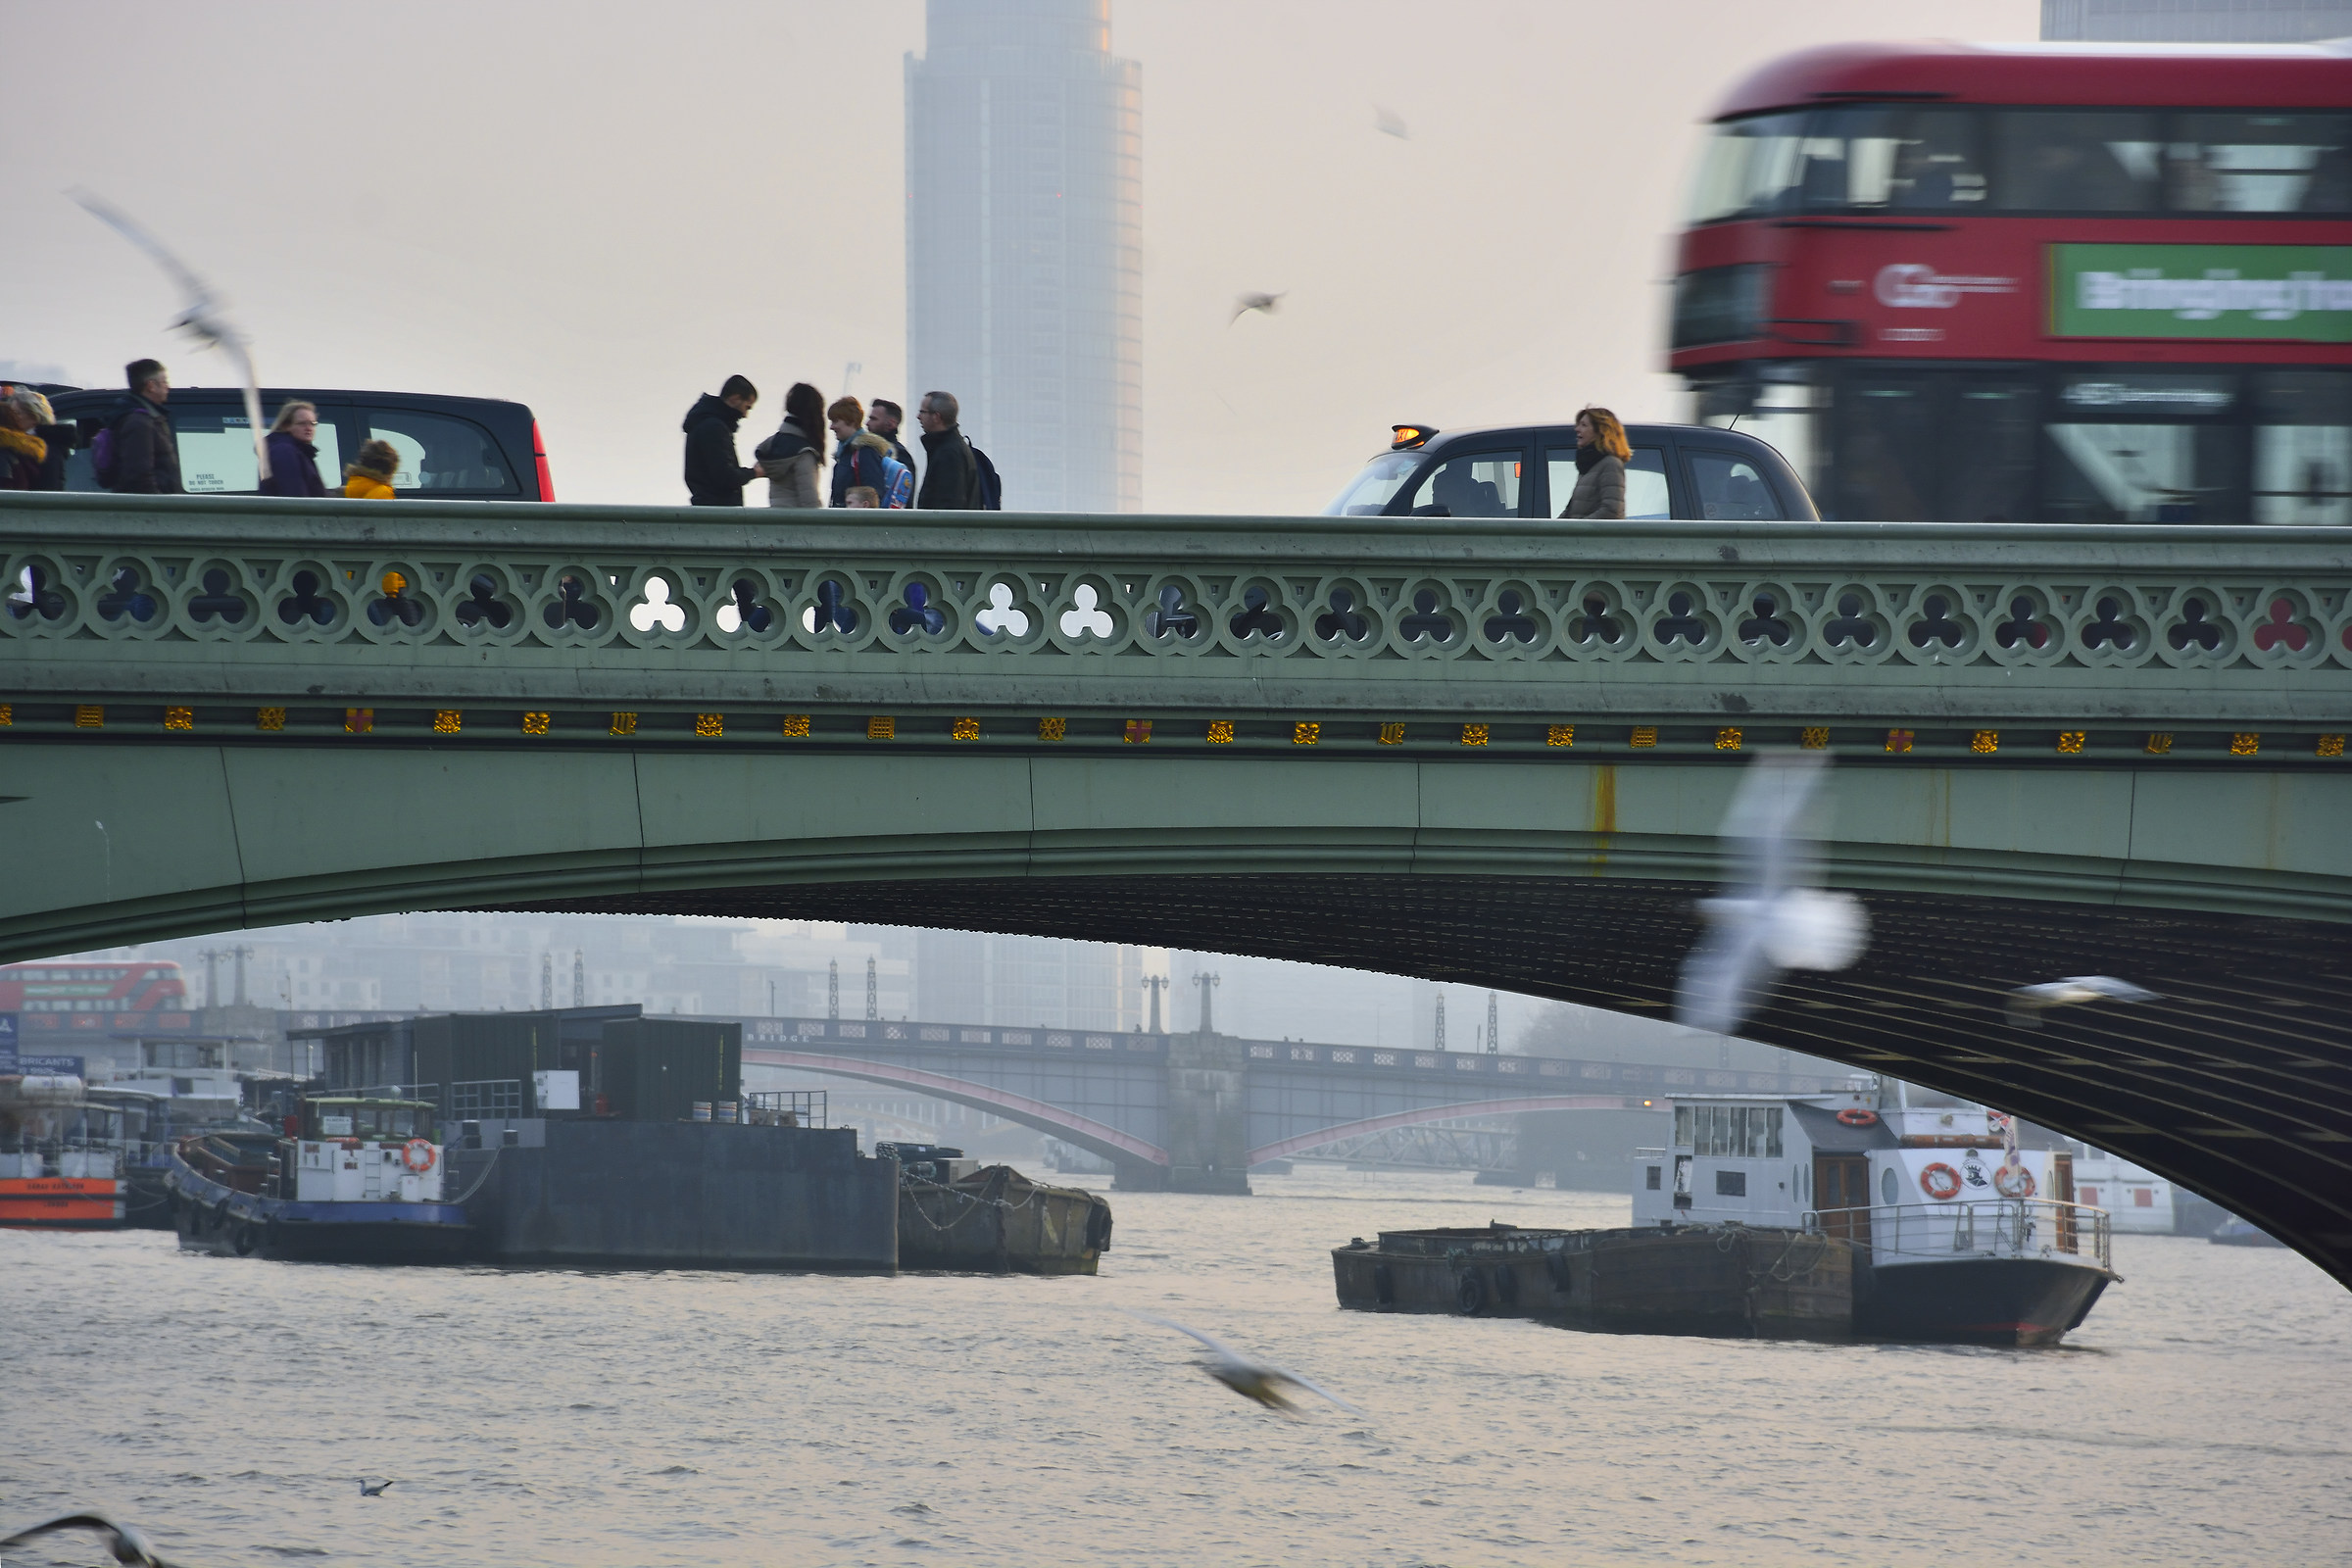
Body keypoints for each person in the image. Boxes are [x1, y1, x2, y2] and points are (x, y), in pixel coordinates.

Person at [681, 374, 765, 506]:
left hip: (706, 506)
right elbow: (725, 476)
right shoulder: (714, 428)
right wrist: (755, 473)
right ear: (735, 398)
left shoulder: (704, 423)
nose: (745, 415)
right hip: (717, 509)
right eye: (747, 407)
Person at [103, 359, 181, 494]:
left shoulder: (148, 418)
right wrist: (160, 503)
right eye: (164, 381)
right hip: (153, 506)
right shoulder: (139, 423)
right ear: (151, 386)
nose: (168, 386)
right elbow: (139, 477)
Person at [755, 382, 826, 509]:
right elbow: (810, 502)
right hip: (797, 519)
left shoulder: (772, 444)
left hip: (774, 515)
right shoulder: (804, 452)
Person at [1559, 406, 1629, 520]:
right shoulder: (1588, 465)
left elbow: (1612, 511)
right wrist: (1551, 528)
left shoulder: (1611, 464)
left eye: (1584, 425)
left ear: (1600, 431)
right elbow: (1570, 512)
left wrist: (1576, 528)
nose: (1577, 429)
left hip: (1591, 533)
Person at [914, 390, 981, 510]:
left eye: (922, 412)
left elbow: (950, 506)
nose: (918, 416)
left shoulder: (949, 453)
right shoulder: (951, 447)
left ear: (936, 417)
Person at [825, 395, 896, 507]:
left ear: (851, 421)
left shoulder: (865, 452)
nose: (831, 427)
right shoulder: (846, 453)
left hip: (853, 517)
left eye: (835, 421)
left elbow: (874, 494)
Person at [257, 401, 328, 498]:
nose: (309, 428)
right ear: (286, 426)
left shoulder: (299, 452)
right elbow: (295, 497)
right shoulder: (284, 452)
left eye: (312, 424)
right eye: (302, 423)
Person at [0, 386, 62, 490]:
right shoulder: (15, 444)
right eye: (11, 413)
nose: (12, 417)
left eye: (17, 413)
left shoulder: (49, 447)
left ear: (34, 416)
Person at [866, 398, 917, 475]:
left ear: (891, 424)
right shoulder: (867, 450)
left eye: (873, 419)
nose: (867, 423)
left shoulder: (899, 455)